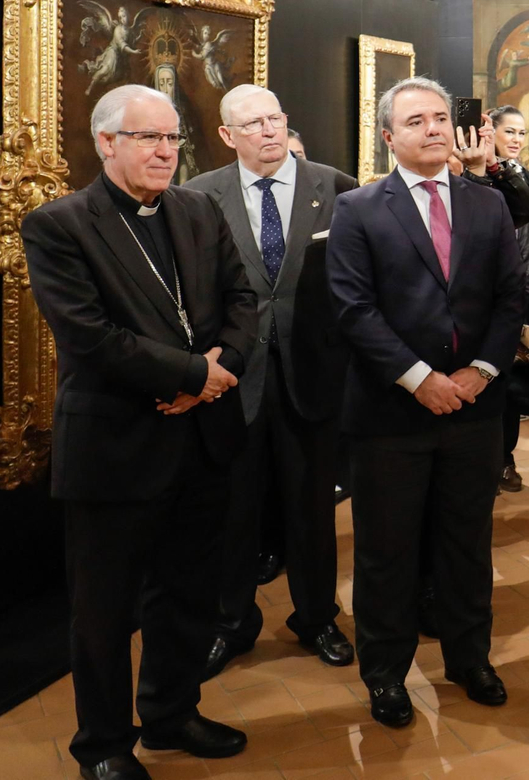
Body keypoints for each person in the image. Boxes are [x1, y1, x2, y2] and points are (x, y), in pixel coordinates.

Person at [21, 84, 258, 780]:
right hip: (117, 445)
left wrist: (219, 369)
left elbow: (242, 300)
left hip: (202, 438)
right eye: (148, 137)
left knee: (188, 592)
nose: (165, 150)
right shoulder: (59, 224)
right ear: (106, 143)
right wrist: (194, 373)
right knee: (103, 611)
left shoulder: (197, 208)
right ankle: (103, 746)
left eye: (172, 137)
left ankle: (171, 713)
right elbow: (89, 336)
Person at [328, 77, 527, 729]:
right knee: (387, 552)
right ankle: (386, 674)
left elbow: (511, 296)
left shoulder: (487, 204)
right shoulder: (358, 208)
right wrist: (420, 378)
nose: (434, 128)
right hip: (390, 415)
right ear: (389, 136)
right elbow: (353, 309)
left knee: (466, 543)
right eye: (416, 121)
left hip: (474, 409)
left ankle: (470, 659)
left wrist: (482, 370)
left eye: (440, 117)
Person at [184, 84, 356, 680]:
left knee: (312, 508)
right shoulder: (198, 196)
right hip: (233, 376)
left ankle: (318, 618)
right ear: (227, 135)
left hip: (313, 373)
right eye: (253, 124)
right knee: (234, 510)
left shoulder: (335, 187)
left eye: (275, 118)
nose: (268, 131)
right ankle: (231, 624)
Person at [458, 105, 529, 493]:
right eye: (509, 131)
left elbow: (528, 212)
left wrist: (497, 167)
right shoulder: (463, 172)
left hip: (517, 296)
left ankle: (504, 459)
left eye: (522, 133)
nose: (516, 139)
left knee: (505, 383)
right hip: (474, 298)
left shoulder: (519, 176)